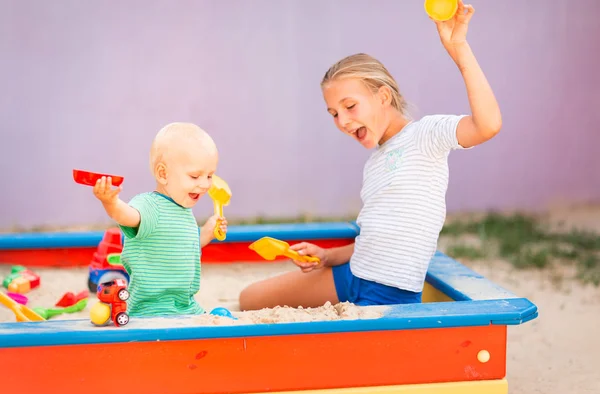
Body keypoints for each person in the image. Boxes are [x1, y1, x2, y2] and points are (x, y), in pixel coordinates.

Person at [239, 1, 501, 310]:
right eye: (333, 113)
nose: (343, 121)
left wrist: (459, 49)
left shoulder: (425, 136)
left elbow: (488, 125)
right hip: (352, 275)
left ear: (383, 96)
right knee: (249, 299)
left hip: (391, 292)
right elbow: (375, 239)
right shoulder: (375, 162)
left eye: (350, 107)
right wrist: (327, 256)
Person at [92, 122, 228, 317]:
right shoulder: (150, 206)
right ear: (163, 174)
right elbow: (128, 216)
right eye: (195, 176)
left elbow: (185, 246)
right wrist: (111, 203)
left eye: (209, 176)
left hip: (185, 305)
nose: (205, 184)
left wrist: (207, 231)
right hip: (151, 309)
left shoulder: (182, 211)